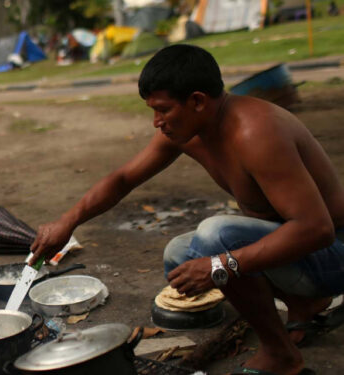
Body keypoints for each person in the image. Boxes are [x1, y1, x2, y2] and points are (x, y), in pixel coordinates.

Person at [30, 44, 344, 375]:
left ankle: (282, 356)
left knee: (214, 239)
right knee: (181, 254)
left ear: (197, 101)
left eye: (163, 110)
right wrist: (67, 223)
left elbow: (316, 229)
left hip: (333, 252)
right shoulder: (190, 130)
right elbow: (122, 179)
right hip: (297, 253)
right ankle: (304, 303)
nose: (156, 122)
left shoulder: (256, 132)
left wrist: (220, 265)